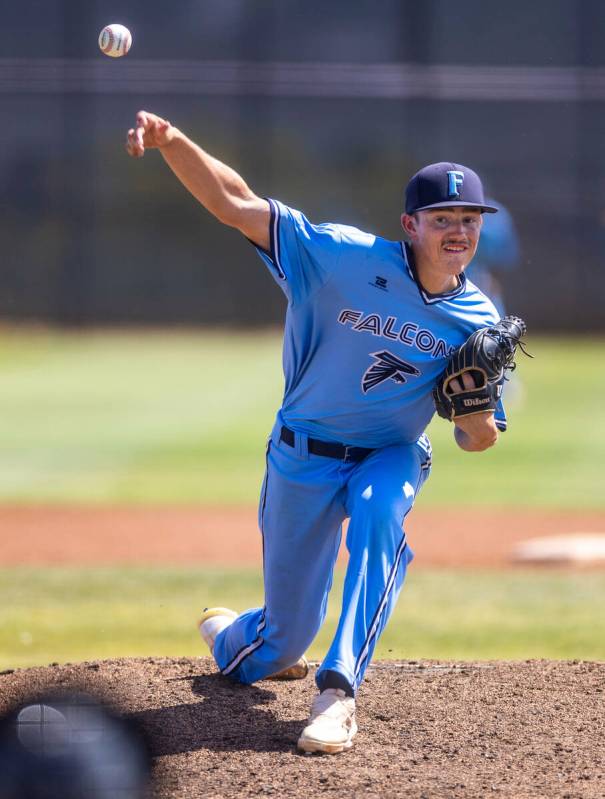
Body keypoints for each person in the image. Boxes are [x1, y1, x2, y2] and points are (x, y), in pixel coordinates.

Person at [126, 112, 507, 755]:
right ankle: (234, 635)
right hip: (302, 456)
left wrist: (473, 413)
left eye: (470, 220)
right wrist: (173, 142)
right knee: (280, 641)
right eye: (443, 218)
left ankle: (339, 693)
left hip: (390, 454)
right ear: (410, 225)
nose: (459, 231)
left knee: (380, 515)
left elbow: (478, 439)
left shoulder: (479, 317)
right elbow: (235, 202)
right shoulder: (338, 259)